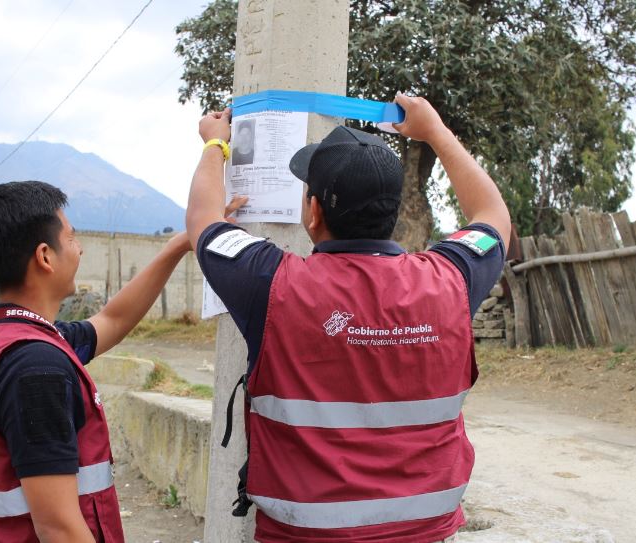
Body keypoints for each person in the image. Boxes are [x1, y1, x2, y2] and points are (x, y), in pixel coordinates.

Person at [186, 93, 511, 543]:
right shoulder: (450, 279)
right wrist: (435, 131)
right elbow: (494, 216)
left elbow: (203, 222)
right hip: (426, 534)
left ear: (314, 211)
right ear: (393, 213)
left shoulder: (272, 284)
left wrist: (214, 145)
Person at [0, 180, 242, 542]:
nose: (79, 250)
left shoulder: (18, 336)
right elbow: (59, 527)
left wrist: (180, 244)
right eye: (72, 238)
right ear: (45, 256)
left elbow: (112, 320)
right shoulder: (36, 369)